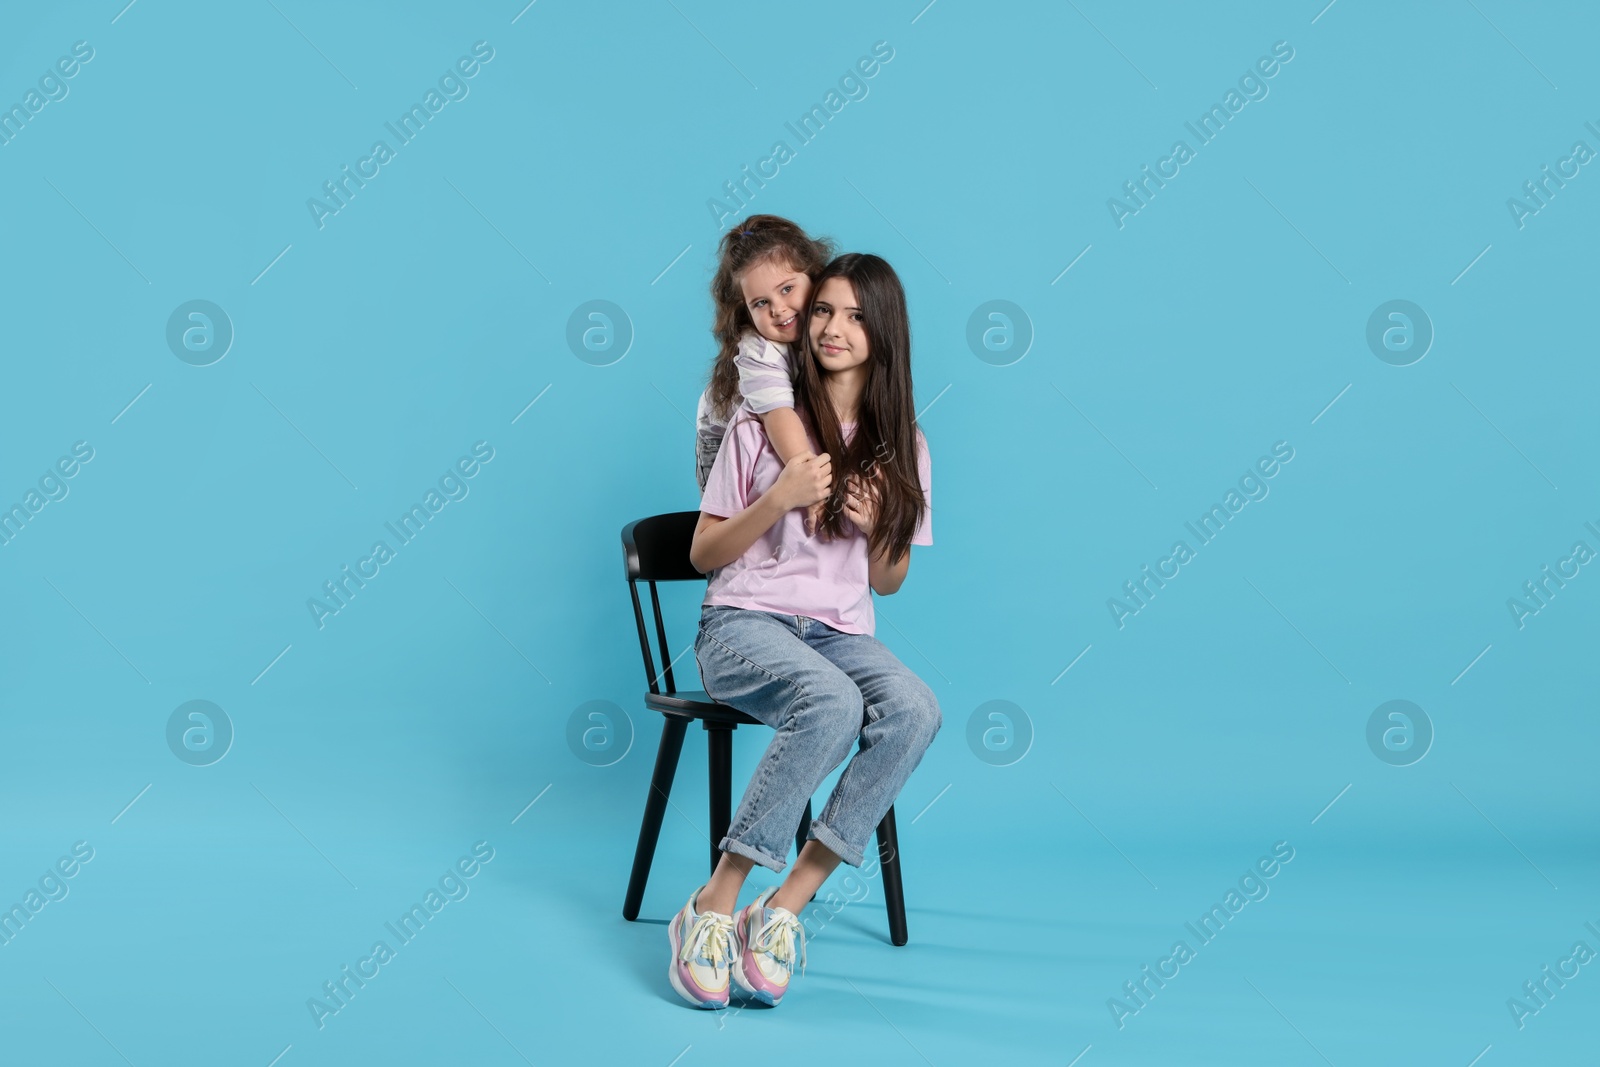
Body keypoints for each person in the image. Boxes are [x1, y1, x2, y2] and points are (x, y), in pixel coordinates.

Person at [667, 253, 939, 1010]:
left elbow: (888, 578)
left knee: (916, 707)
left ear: (884, 332)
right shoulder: (760, 423)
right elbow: (702, 553)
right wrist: (780, 496)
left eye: (855, 316)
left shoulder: (905, 446)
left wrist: (875, 519)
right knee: (829, 701)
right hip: (741, 624)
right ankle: (713, 904)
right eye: (824, 310)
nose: (833, 327)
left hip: (837, 632)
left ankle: (783, 907)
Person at [694, 214, 835, 534]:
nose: (778, 309)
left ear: (814, 277)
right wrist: (809, 479)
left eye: (787, 288)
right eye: (761, 302)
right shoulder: (759, 349)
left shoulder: (829, 325)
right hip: (723, 439)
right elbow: (778, 417)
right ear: (745, 310)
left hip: (785, 421)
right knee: (737, 526)